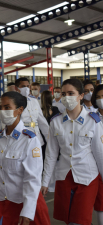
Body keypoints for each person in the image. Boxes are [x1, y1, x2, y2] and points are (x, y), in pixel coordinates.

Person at [41, 78, 103, 225]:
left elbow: (100, 154)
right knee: (69, 220)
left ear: (81, 95)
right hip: (64, 177)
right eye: (63, 93)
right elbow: (51, 154)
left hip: (87, 177)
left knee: (80, 220)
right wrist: (45, 181)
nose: (66, 97)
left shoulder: (93, 121)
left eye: (71, 93)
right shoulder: (55, 122)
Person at [0, 91, 50, 225]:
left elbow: (33, 179)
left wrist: (27, 212)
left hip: (23, 205)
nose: (3, 111)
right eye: (1, 107)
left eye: (7, 107)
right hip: (1, 203)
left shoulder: (29, 139)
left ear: (20, 110)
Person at [14, 78, 49, 148]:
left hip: (36, 138)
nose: (26, 88)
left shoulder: (34, 100)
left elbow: (42, 122)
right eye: (23, 86)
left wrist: (49, 140)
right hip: (21, 139)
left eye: (27, 86)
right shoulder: (13, 102)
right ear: (16, 88)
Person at [91, 84, 103, 225]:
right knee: (101, 204)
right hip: (98, 165)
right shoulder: (92, 118)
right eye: (98, 97)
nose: (101, 100)